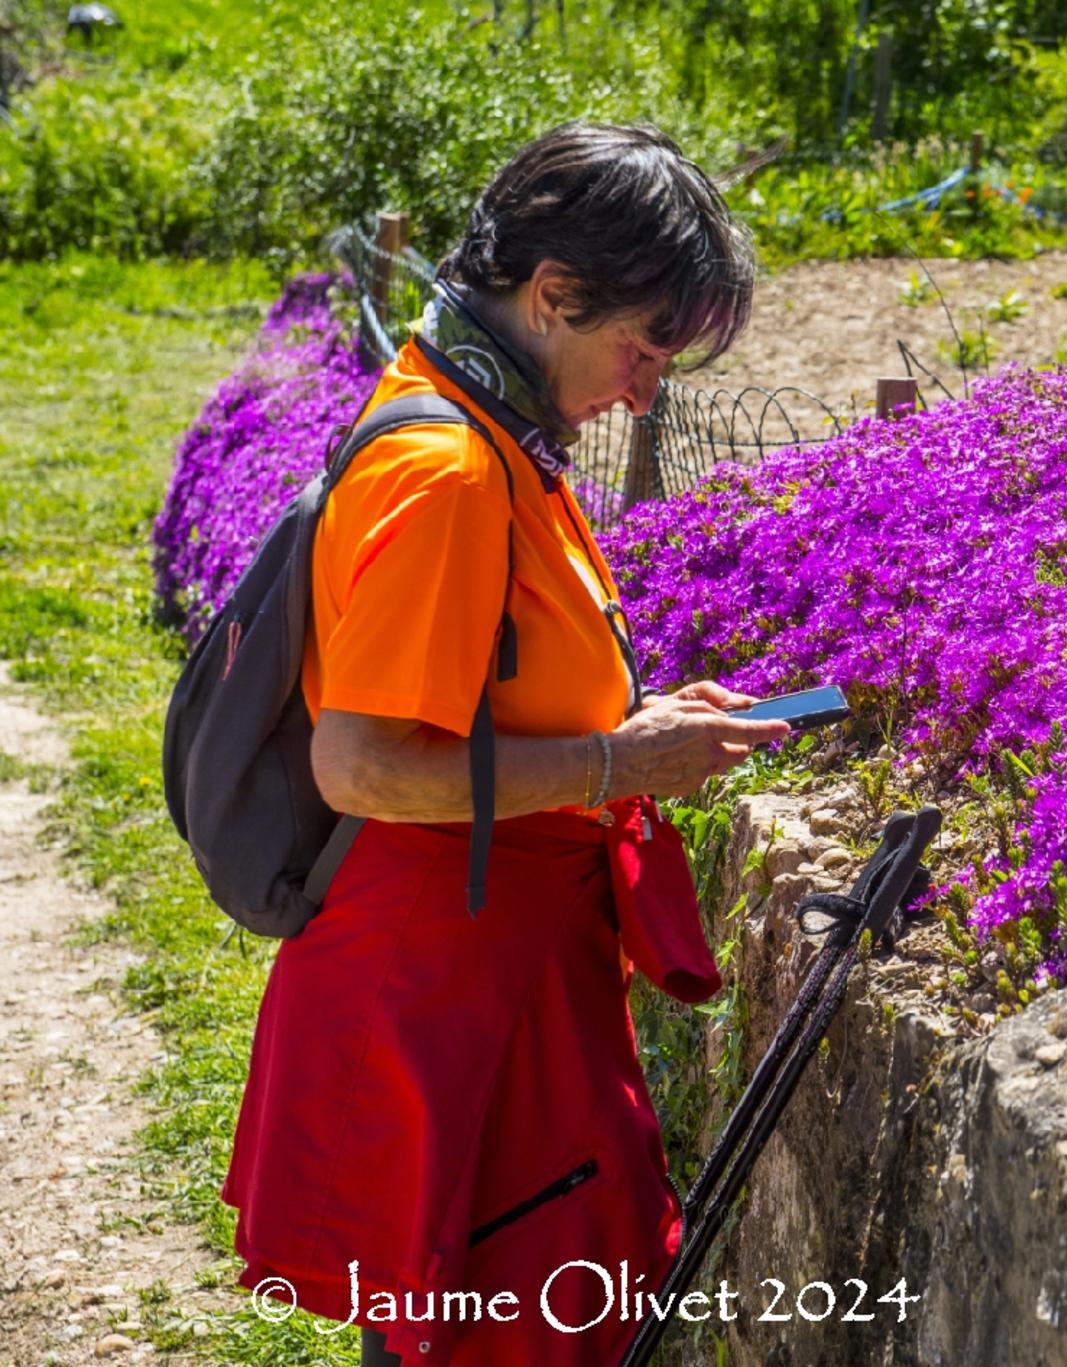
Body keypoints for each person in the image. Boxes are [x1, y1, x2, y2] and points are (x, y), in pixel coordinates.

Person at [218, 123, 791, 1367]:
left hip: (487, 967)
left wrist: (626, 725)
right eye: (641, 348)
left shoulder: (492, 430)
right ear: (550, 295)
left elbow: (491, 687)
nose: (647, 388)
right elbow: (362, 765)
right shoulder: (454, 471)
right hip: (446, 991)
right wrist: (614, 766)